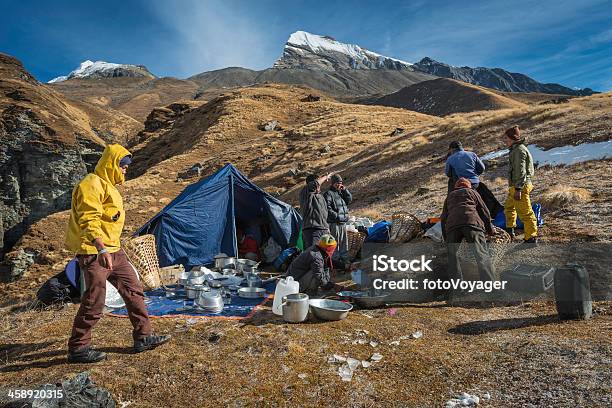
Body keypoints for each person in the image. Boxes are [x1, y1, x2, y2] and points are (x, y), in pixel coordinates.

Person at [65, 144, 170, 364]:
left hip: (114, 249)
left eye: (127, 165)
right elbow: (88, 219)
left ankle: (144, 337)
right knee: (94, 300)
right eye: (122, 165)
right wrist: (101, 248)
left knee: (133, 289)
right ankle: (78, 348)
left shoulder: (109, 186)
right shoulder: (91, 184)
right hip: (95, 251)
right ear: (111, 164)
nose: (125, 169)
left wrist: (110, 246)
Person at [441, 178, 495, 283]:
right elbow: (484, 211)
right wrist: (490, 230)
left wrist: (446, 238)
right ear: (469, 186)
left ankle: (458, 289)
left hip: (453, 227)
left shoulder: (449, 196)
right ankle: (490, 286)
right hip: (472, 224)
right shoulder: (472, 192)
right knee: (481, 255)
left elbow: (443, 218)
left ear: (456, 187)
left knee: (453, 258)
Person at [446, 141, 503, 217]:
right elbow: (482, 168)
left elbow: (448, 173)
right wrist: (474, 176)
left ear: (451, 149)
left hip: (461, 186)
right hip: (475, 184)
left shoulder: (450, 159)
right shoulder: (472, 154)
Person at [503, 125, 538, 244]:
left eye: (506, 139)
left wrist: (518, 188)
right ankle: (510, 230)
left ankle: (530, 238)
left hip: (520, 187)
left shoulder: (518, 151)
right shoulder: (516, 149)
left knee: (525, 213)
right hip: (516, 187)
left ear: (512, 139)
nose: (505, 141)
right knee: (508, 207)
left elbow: (520, 171)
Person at [324, 174, 352, 263]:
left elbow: (349, 200)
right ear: (332, 183)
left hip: (342, 222)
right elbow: (327, 208)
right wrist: (337, 216)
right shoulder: (328, 193)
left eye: (340, 183)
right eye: (337, 183)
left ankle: (345, 259)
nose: (339, 185)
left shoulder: (341, 193)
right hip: (334, 223)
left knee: (344, 242)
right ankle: (335, 261)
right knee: (334, 243)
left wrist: (345, 190)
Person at [299, 173, 331, 248]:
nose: (319, 186)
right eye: (318, 183)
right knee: (313, 254)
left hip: (323, 229)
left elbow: (324, 214)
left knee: (324, 255)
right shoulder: (305, 193)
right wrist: (326, 177)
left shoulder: (321, 197)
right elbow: (315, 183)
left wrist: (327, 227)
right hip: (312, 230)